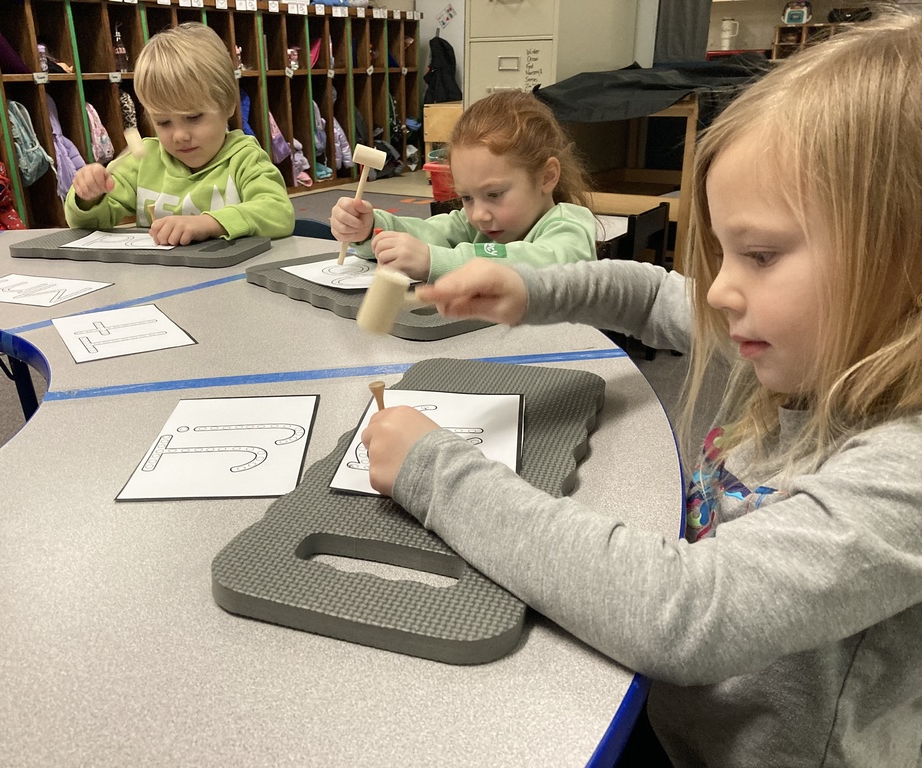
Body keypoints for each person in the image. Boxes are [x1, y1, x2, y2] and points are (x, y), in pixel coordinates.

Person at [361, 12, 922, 767]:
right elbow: (649, 293)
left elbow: (687, 613)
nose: (720, 291)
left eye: (758, 255)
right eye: (725, 253)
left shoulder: (904, 472)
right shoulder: (815, 343)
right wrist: (530, 289)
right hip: (673, 717)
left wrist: (436, 471)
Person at [329, 90, 599, 282]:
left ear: (546, 176)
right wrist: (370, 230)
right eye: (467, 197)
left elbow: (545, 265)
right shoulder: (474, 226)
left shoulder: (570, 226)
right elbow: (426, 234)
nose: (478, 214)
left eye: (494, 194)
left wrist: (434, 261)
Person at [65, 23, 294, 244]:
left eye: (193, 117)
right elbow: (88, 225)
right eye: (163, 122)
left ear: (228, 105)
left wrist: (210, 223)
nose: (179, 136)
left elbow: (278, 213)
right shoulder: (143, 161)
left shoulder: (245, 158)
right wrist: (89, 197)